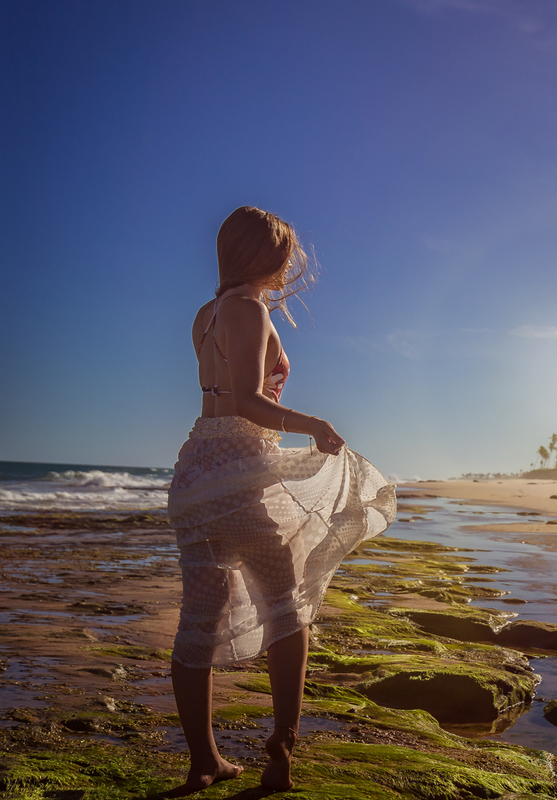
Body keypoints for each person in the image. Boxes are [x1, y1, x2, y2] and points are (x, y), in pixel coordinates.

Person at [167, 206, 395, 793]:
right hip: (237, 471)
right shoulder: (246, 308)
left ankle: (205, 762)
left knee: (199, 618)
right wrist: (312, 423)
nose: (290, 265)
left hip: (195, 471)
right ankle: (281, 752)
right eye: (285, 254)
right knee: (287, 609)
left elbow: (219, 394)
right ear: (266, 256)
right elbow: (246, 398)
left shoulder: (206, 314)